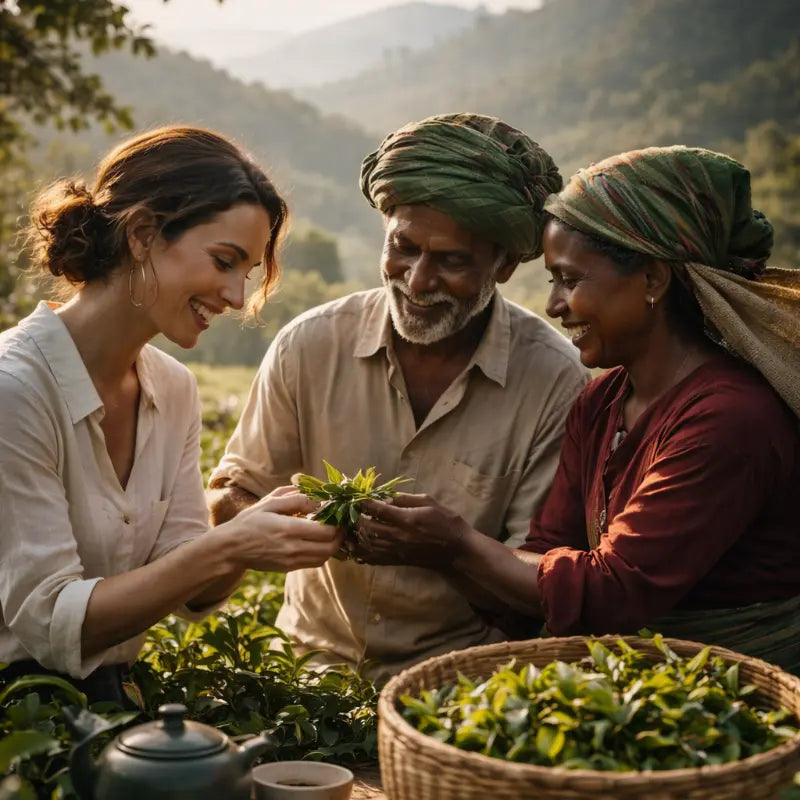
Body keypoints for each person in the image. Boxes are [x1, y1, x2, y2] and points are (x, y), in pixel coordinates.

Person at [354, 145, 800, 673]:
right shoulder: (603, 401)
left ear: (653, 279)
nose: (553, 305)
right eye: (552, 280)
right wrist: (433, 550)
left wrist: (453, 544)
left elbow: (615, 589)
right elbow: (547, 550)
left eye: (570, 279)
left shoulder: (728, 418)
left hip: (739, 694)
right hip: (636, 684)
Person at [208, 113, 588, 679]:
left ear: (505, 264)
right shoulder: (310, 345)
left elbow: (536, 584)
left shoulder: (555, 381)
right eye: (403, 248)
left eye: (452, 261)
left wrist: (449, 550)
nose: (416, 280)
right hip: (305, 671)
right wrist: (289, 520)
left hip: (463, 686)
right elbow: (230, 497)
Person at [0, 126, 342, 704]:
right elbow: (53, 622)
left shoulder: (173, 387)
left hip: (107, 698)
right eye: (224, 261)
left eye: (248, 273)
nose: (236, 297)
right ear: (142, 233)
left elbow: (187, 590)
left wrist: (249, 524)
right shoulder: (17, 390)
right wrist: (232, 545)